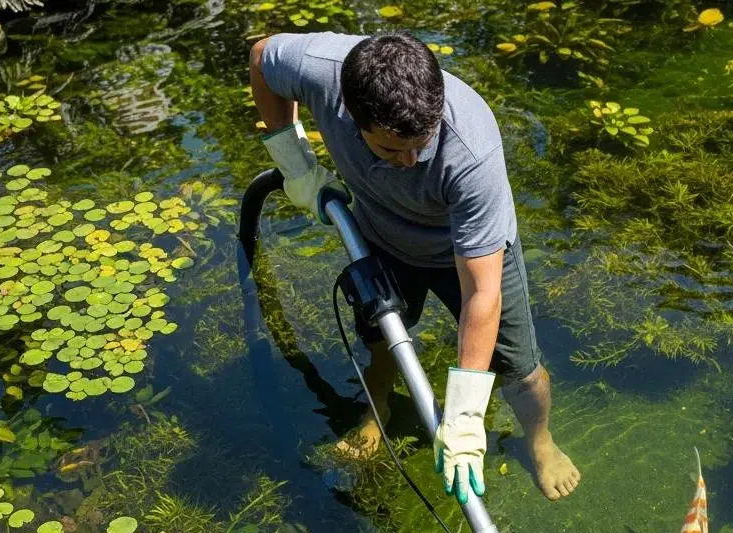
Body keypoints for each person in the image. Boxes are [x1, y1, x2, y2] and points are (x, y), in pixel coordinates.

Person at [249, 30, 581, 503]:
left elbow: (481, 294)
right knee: (378, 334)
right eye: (390, 149)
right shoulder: (320, 70)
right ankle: (377, 406)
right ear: (350, 113)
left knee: (521, 370)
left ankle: (541, 441)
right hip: (381, 230)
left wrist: (464, 418)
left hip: (466, 251)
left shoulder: (471, 154)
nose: (410, 161)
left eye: (421, 145)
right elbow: (261, 58)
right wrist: (295, 165)